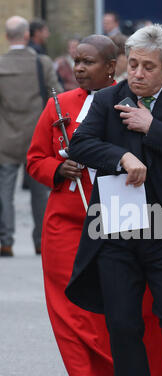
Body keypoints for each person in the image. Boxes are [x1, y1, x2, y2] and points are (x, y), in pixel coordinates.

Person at [27, 33, 162, 376]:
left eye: (149, 67)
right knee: (123, 324)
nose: (137, 73)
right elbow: (81, 145)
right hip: (116, 226)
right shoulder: (106, 101)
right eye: (134, 64)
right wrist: (121, 155)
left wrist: (150, 125)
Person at [0, 16, 62, 257]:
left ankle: (5, 241)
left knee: (5, 192)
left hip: (5, 138)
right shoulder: (42, 63)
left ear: (7, 37)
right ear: (27, 36)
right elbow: (56, 99)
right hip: (38, 137)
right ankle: (41, 241)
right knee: (41, 193)